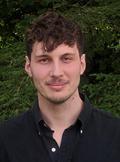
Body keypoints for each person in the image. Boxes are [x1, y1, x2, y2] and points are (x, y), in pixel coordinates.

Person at [0, 11, 120, 162]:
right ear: (28, 66)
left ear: (82, 64)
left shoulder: (116, 136)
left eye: (66, 58)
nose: (56, 72)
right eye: (44, 60)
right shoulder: (4, 140)